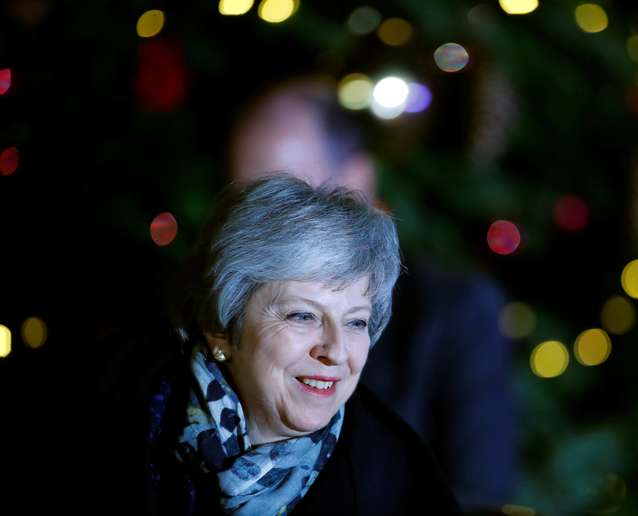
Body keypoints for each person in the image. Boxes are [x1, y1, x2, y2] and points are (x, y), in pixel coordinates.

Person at [228, 77, 518, 511]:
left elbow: (479, 496)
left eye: (287, 199)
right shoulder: (208, 316)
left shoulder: (453, 311)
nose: (259, 230)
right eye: (243, 202)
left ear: (358, 181)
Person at [94, 175, 461, 515]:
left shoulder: (401, 480)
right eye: (303, 316)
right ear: (221, 327)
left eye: (356, 322)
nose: (335, 351)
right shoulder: (110, 404)